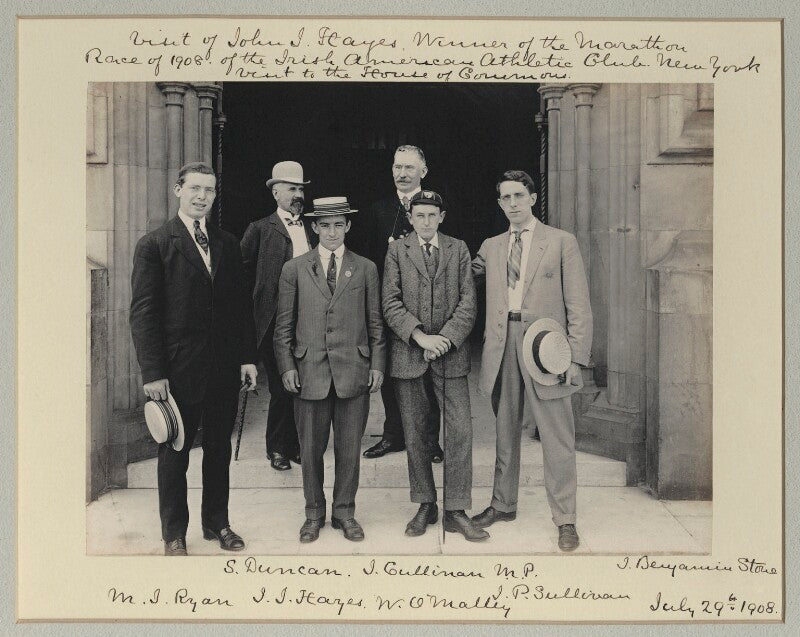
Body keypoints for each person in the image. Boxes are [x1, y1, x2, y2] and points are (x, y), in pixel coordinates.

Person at [130, 162, 258, 556]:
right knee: (175, 453)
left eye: (210, 190)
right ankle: (174, 534)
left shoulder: (226, 242)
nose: (203, 196)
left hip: (221, 369)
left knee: (218, 449)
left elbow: (239, 308)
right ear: (178, 191)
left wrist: (247, 358)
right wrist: (153, 372)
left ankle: (217, 524)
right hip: (176, 371)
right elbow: (143, 313)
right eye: (195, 189)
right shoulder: (155, 244)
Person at [471, 170, 592, 552]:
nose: (513, 203)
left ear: (533, 198)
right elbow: (458, 278)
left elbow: (578, 304)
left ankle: (566, 519)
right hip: (503, 342)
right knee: (505, 430)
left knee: (557, 435)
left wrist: (573, 355)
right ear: (499, 203)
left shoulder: (560, 242)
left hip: (545, 345)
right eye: (505, 197)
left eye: (519, 195)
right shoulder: (490, 246)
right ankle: (503, 505)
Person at [273, 197, 386, 543]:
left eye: (339, 224)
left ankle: (344, 512)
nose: (332, 231)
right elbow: (283, 327)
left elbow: (376, 323)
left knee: (350, 449)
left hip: (354, 370)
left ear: (348, 226)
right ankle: (313, 513)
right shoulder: (295, 269)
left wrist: (378, 364)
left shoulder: (365, 268)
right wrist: (287, 367)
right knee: (310, 449)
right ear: (314, 228)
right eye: (325, 225)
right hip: (309, 372)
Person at [382, 190, 487, 541]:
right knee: (415, 431)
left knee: (459, 431)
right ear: (410, 218)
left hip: (451, 354)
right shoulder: (397, 250)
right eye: (419, 216)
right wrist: (420, 337)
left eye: (432, 215)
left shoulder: (458, 249)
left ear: (442, 217)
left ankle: (456, 509)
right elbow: (390, 302)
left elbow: (468, 303)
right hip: (410, 354)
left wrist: (445, 339)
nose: (425, 222)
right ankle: (425, 503)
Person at [352, 145, 442, 462]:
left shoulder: (436, 207)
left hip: (431, 304)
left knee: (429, 373)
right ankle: (393, 436)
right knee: (391, 372)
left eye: (408, 168)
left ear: (423, 171)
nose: (401, 174)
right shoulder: (377, 211)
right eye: (397, 167)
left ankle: (430, 441)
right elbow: (367, 260)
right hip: (389, 305)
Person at [240, 161, 316, 471]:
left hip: (309, 318)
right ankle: (277, 448)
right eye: (291, 189)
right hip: (274, 322)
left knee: (307, 384)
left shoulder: (313, 227)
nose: (298, 195)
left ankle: (297, 445)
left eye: (300, 189)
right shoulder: (259, 229)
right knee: (282, 386)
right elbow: (241, 274)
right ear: (275, 193)